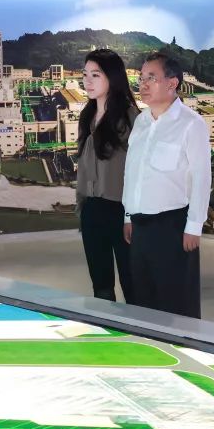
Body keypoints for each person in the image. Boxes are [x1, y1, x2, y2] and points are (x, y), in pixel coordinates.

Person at [122, 52, 211, 318]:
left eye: (151, 78)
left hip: (172, 227)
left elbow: (201, 177)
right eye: (141, 78)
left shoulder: (191, 124)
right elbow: (132, 172)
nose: (143, 84)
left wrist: (194, 226)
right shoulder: (141, 122)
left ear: (172, 83)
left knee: (177, 304)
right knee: (144, 301)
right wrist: (128, 216)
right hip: (139, 226)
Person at [76, 49, 139, 302]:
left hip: (123, 213)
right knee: (101, 285)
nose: (87, 81)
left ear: (112, 77)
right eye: (85, 75)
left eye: (96, 75)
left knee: (133, 284)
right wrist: (83, 208)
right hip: (92, 210)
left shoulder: (131, 118)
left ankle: (139, 326)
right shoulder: (87, 116)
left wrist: (131, 216)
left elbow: (139, 173)